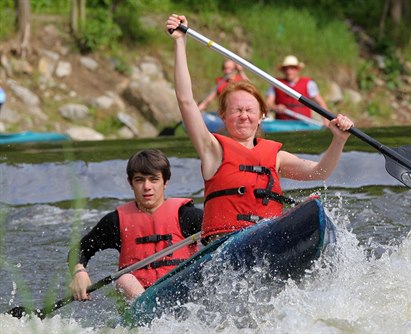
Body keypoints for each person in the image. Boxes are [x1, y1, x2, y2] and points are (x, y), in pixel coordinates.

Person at [166, 14, 354, 244]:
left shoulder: (277, 158)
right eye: (236, 110)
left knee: (312, 208)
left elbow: (319, 172)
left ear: (261, 115)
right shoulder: (211, 149)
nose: (243, 115)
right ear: (224, 116)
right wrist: (179, 42)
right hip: (225, 246)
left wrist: (339, 140)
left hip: (268, 242)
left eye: (249, 110)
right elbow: (185, 100)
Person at [68, 149, 203, 301]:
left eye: (154, 179)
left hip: (183, 293)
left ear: (165, 182)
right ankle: (147, 309)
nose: (147, 186)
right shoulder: (116, 222)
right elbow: (80, 250)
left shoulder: (186, 215)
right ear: (130, 183)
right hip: (137, 297)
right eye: (139, 180)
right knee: (124, 279)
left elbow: (219, 239)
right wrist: (79, 272)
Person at [266, 55, 329, 125]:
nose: (289, 71)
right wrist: (275, 107)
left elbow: (320, 103)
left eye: (292, 68)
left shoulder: (309, 84)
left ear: (297, 69)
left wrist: (326, 121)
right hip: (282, 124)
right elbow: (268, 103)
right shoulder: (276, 83)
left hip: (304, 124)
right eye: (286, 69)